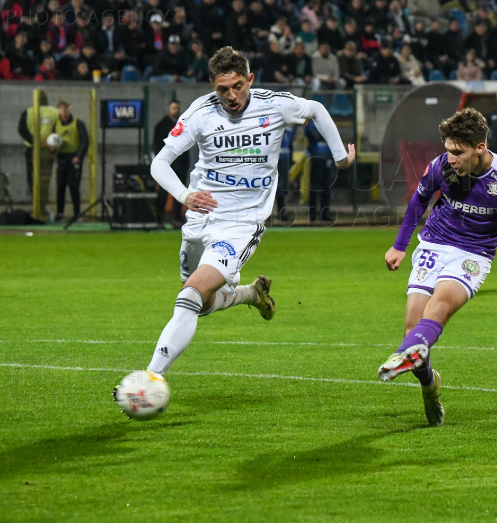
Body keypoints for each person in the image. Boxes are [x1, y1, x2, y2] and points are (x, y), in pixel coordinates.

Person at [139, 47, 355, 388]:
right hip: (200, 219)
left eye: (238, 86)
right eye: (222, 89)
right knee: (203, 303)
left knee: (192, 294)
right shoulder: (201, 112)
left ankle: (151, 377)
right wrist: (185, 195)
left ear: (250, 79)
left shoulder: (274, 104)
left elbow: (316, 109)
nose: (231, 95)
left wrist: (341, 157)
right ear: (212, 85)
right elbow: (159, 163)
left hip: (242, 222)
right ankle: (251, 294)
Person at [379, 108, 497, 427]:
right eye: (448, 149)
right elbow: (418, 203)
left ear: (480, 148)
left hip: (473, 254)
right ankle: (428, 385)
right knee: (413, 330)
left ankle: (400, 357)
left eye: (458, 152)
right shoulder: (442, 167)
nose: (450, 157)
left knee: (438, 309)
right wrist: (399, 245)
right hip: (434, 244)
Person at [17, 91, 58, 216]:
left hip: (32, 150)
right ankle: (42, 206)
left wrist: (35, 141)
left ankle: (35, 206)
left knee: (33, 179)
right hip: (48, 149)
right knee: (45, 179)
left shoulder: (28, 112)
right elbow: (59, 129)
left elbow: (21, 129)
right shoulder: (55, 112)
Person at [153, 100, 190, 227]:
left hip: (181, 164)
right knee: (162, 194)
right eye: (174, 108)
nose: (176, 110)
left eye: (177, 108)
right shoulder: (161, 126)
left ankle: (177, 219)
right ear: (169, 109)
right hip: (167, 165)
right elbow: (157, 146)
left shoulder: (184, 125)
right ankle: (160, 219)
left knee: (179, 193)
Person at [52, 100, 89, 222]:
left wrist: (79, 156)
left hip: (74, 159)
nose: (63, 111)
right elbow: (52, 140)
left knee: (73, 186)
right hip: (62, 159)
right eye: (61, 109)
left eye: (65, 109)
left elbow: (85, 141)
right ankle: (60, 213)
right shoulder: (56, 124)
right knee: (60, 187)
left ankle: (77, 213)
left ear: (69, 109)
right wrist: (53, 148)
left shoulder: (77, 123)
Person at [305, 121, 335, 223]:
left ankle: (324, 213)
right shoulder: (313, 125)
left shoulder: (327, 124)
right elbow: (314, 135)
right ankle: (312, 213)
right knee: (314, 187)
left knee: (326, 187)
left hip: (327, 158)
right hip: (316, 158)